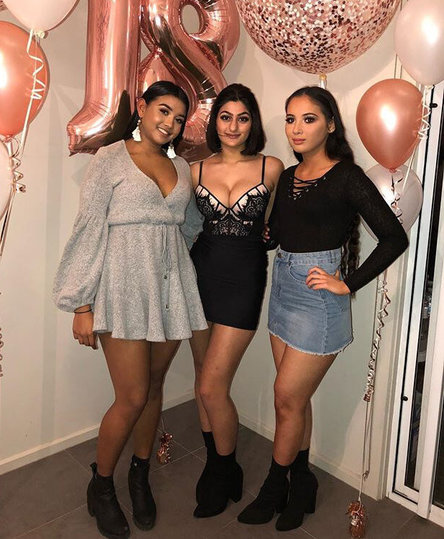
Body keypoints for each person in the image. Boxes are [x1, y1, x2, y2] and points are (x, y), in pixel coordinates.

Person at [237, 86, 409, 531]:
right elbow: (279, 234)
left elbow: (394, 238)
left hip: (318, 300)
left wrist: (346, 284)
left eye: (308, 119)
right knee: (295, 401)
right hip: (283, 289)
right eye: (290, 119)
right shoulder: (288, 176)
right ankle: (303, 481)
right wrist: (260, 235)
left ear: (330, 124)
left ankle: (274, 488)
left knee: (285, 397)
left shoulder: (347, 176)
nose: (296, 128)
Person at [53, 81, 207, 539]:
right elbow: (88, 228)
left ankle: (140, 475)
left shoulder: (182, 166)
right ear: (142, 107)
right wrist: (82, 303)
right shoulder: (110, 158)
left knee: (154, 387)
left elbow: (190, 226)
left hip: (170, 288)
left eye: (179, 118)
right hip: (121, 288)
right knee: (132, 396)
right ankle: (101, 485)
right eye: (163, 110)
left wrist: (173, 260)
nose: (170, 123)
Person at [189, 83, 284, 518]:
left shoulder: (271, 167)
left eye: (242, 118)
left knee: (213, 386)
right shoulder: (195, 170)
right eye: (225, 117)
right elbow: (184, 225)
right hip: (199, 276)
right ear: (216, 122)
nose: (233, 126)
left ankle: (225, 468)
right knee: (202, 378)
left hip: (244, 279)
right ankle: (215, 464)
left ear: (252, 124)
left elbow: (278, 226)